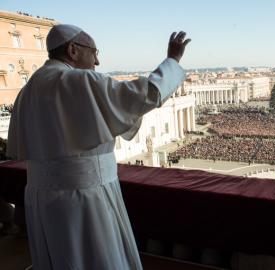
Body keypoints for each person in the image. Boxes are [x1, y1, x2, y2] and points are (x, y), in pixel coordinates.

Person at [7, 24, 191, 270]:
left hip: (41, 198)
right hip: (84, 195)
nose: (97, 61)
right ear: (73, 50)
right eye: (94, 52)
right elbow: (146, 95)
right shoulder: (79, 80)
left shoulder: (28, 89)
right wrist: (172, 60)